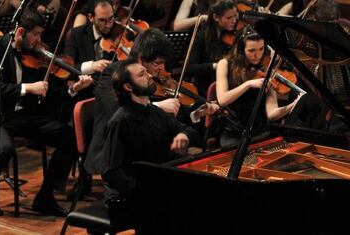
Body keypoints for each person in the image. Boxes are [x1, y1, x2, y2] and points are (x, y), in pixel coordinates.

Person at [0, 8, 93, 216]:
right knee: (3, 148)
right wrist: (26, 88)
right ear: (21, 32)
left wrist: (72, 90)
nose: (39, 40)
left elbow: (46, 92)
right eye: (36, 34)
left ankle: (45, 197)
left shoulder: (33, 55)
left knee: (69, 137)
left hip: (20, 116)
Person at [85, 27, 218, 176]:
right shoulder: (113, 74)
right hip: (116, 151)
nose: (162, 69)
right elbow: (117, 112)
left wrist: (196, 115)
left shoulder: (152, 82)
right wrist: (157, 106)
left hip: (150, 146)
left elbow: (172, 122)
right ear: (141, 59)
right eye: (157, 63)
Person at [100, 57, 199, 224]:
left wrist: (184, 135)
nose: (150, 76)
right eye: (142, 74)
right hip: (127, 196)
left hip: (154, 186)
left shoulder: (153, 111)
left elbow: (190, 131)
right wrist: (144, 191)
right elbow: (110, 171)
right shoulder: (121, 121)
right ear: (128, 86)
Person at [215, 28, 330, 147]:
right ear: (241, 50)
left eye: (261, 49)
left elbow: (271, 114)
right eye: (251, 50)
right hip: (234, 133)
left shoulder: (267, 69)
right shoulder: (225, 64)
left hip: (259, 133)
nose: (257, 55)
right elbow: (222, 100)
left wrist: (292, 106)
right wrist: (248, 84)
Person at [188, 0, 237, 98]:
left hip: (230, 85)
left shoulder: (234, 35)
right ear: (215, 17)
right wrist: (215, 66)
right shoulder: (202, 36)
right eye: (229, 18)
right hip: (207, 87)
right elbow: (190, 68)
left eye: (235, 16)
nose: (234, 21)